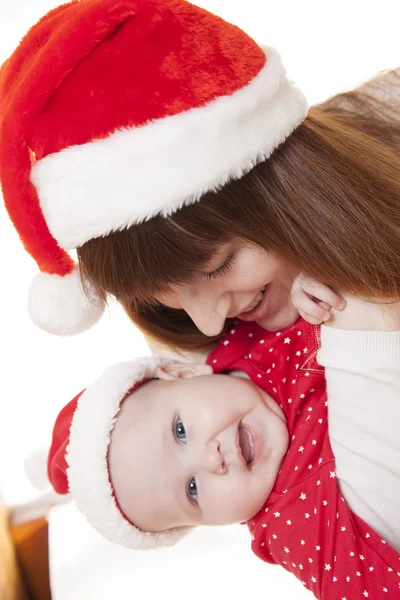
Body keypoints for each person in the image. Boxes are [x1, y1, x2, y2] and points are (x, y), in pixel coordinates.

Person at [0, 0, 398, 346]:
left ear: (288, 184)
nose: (208, 324)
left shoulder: (390, 109)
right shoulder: (198, 361)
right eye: (159, 293)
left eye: (220, 265)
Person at [47, 297, 400, 599]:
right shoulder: (292, 524)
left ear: (184, 373)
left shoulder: (242, 329)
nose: (210, 459)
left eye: (180, 431)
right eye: (192, 489)